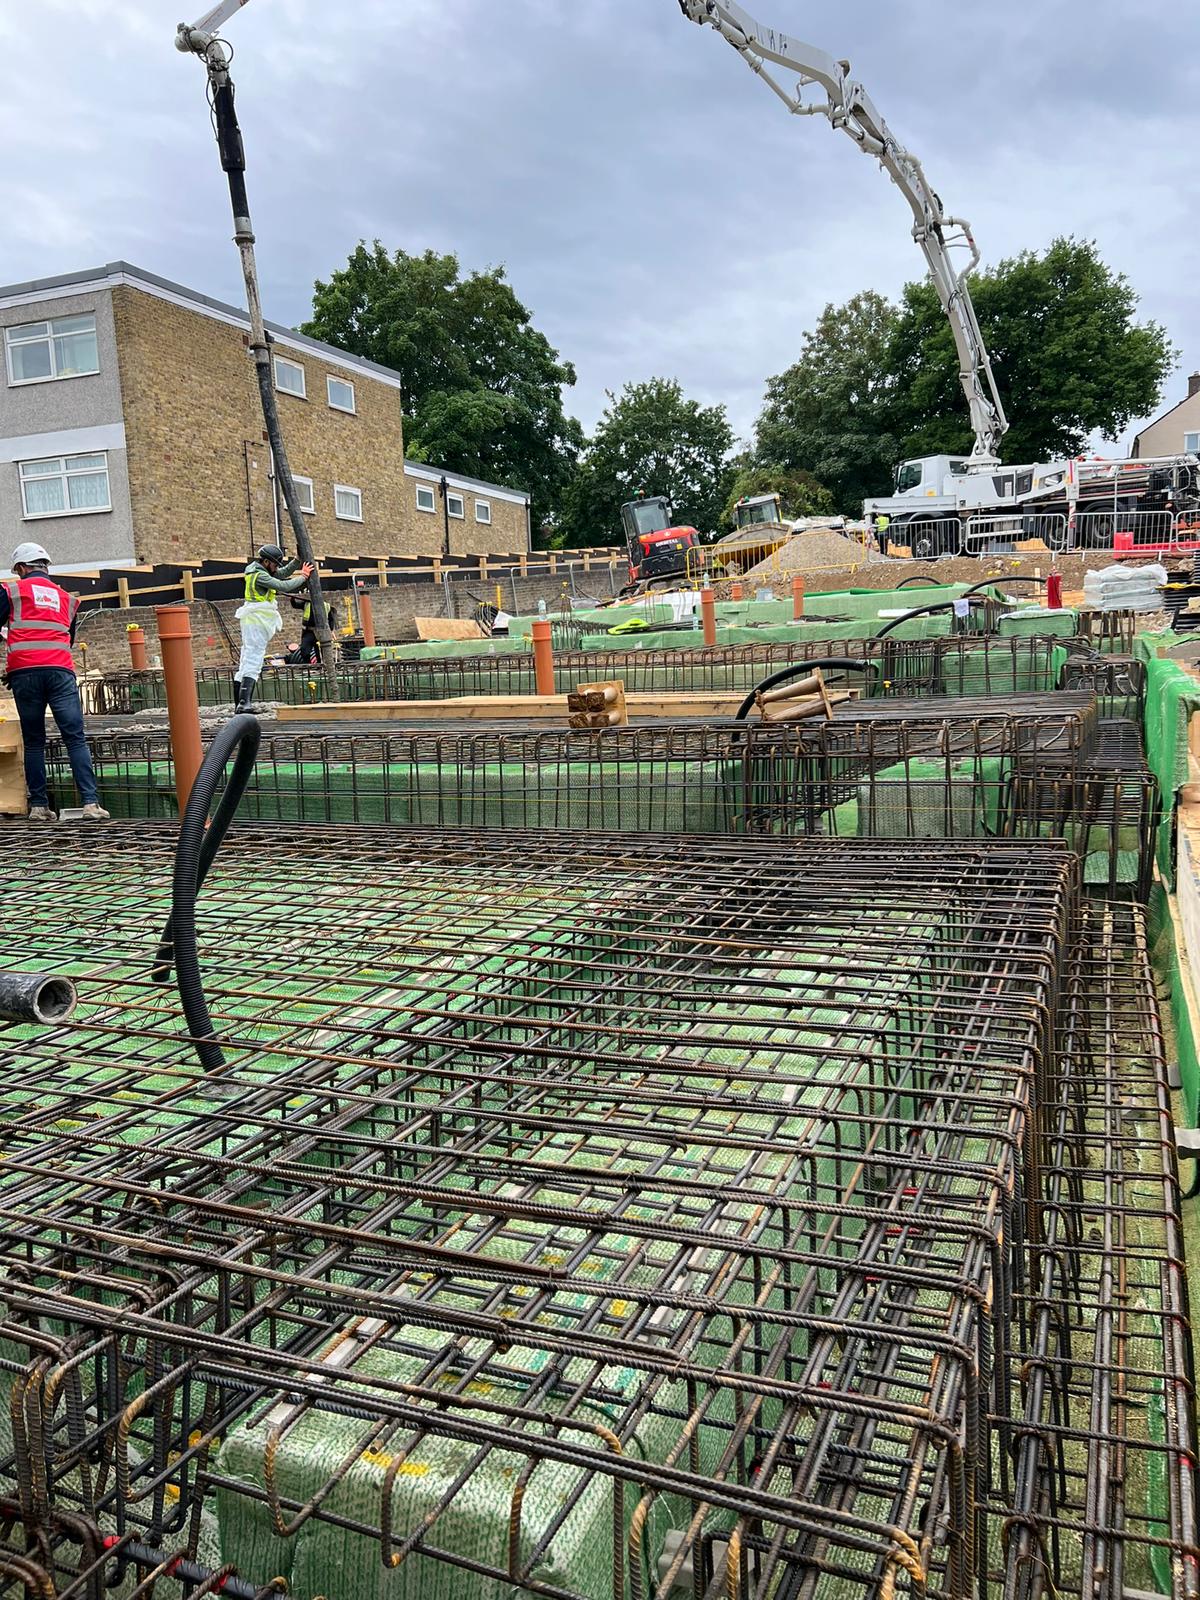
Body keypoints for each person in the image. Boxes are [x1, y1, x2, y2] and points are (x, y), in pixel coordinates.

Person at [0, 542, 109, 822]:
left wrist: (16, 665)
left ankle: (38, 806)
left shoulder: (11, 591)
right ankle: (91, 804)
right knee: (75, 738)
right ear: (46, 566)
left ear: (21, 568)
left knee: (34, 741)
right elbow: (66, 639)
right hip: (60, 672)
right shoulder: (66, 599)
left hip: (24, 673)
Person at [235, 544, 314, 709]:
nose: (276, 567)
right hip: (256, 621)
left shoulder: (259, 571)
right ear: (266, 562)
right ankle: (244, 703)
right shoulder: (260, 576)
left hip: (253, 620)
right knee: (254, 659)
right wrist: (304, 577)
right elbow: (283, 585)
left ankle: (239, 703)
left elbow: (282, 573)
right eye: (275, 564)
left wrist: (297, 561)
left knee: (246, 659)